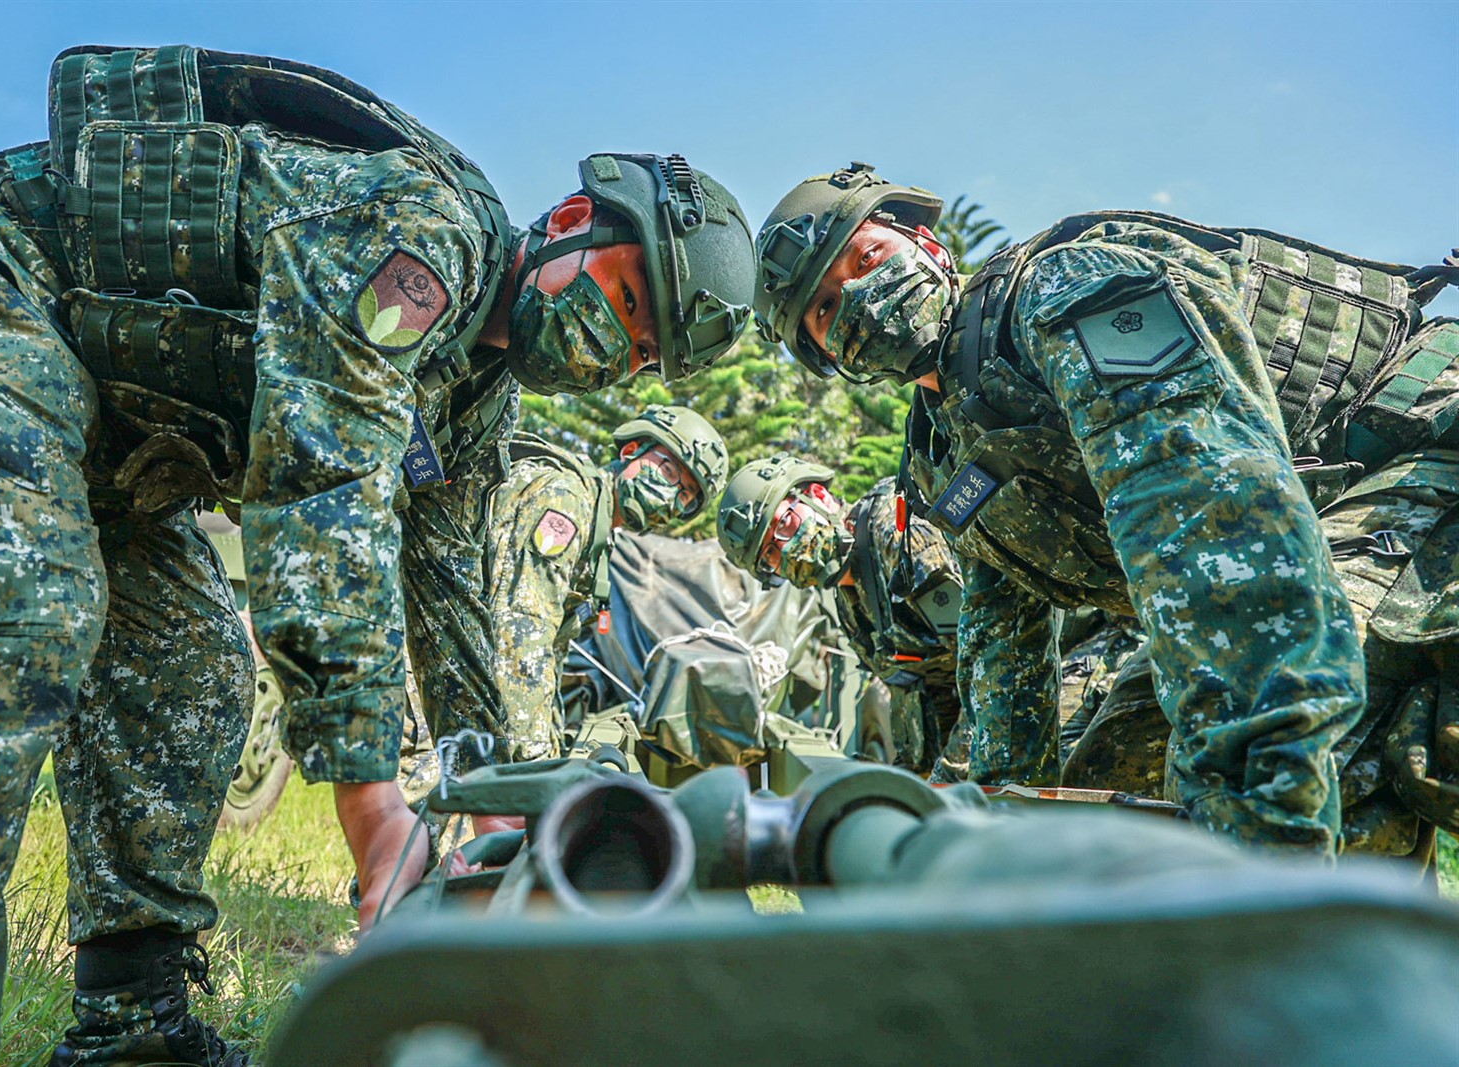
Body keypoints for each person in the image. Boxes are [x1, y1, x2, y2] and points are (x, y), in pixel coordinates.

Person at [0, 44, 755, 1067]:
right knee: (16, 606)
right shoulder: (425, 231)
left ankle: (132, 1024)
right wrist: (373, 806)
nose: (616, 351)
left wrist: (498, 813)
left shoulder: (474, 401)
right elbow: (322, 477)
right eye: (629, 303)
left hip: (124, 442)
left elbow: (453, 606)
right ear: (571, 222)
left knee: (194, 666)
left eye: (642, 355)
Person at [753, 162, 1459, 858]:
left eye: (867, 257)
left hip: (1417, 444)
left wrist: (1257, 805)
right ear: (827, 355)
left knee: (1291, 762)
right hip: (1307, 529)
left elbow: (1210, 514)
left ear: (926, 242)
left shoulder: (1061, 289)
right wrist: (999, 832)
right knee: (1112, 789)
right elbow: (1003, 642)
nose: (859, 296)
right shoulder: (941, 460)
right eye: (826, 307)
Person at [490, 405, 728, 765]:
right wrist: (535, 765)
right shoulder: (566, 501)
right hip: (440, 716)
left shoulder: (600, 537)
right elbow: (521, 632)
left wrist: (552, 751)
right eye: (668, 471)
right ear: (630, 451)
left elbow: (548, 659)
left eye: (685, 497)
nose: (671, 496)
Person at [716, 455, 961, 772]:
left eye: (784, 524)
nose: (785, 551)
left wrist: (952, 771)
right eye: (769, 557)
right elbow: (922, 690)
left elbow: (987, 649)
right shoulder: (850, 602)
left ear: (818, 495)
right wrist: (913, 776)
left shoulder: (894, 532)